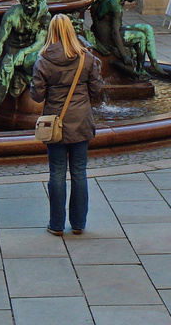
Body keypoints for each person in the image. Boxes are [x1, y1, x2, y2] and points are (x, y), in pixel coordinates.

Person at [29, 14, 102, 236]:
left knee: (57, 173)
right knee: (79, 172)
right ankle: (79, 224)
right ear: (71, 30)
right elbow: (97, 90)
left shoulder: (43, 60)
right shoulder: (86, 58)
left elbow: (37, 96)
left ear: (51, 32)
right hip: (81, 121)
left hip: (56, 124)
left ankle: (57, 224)